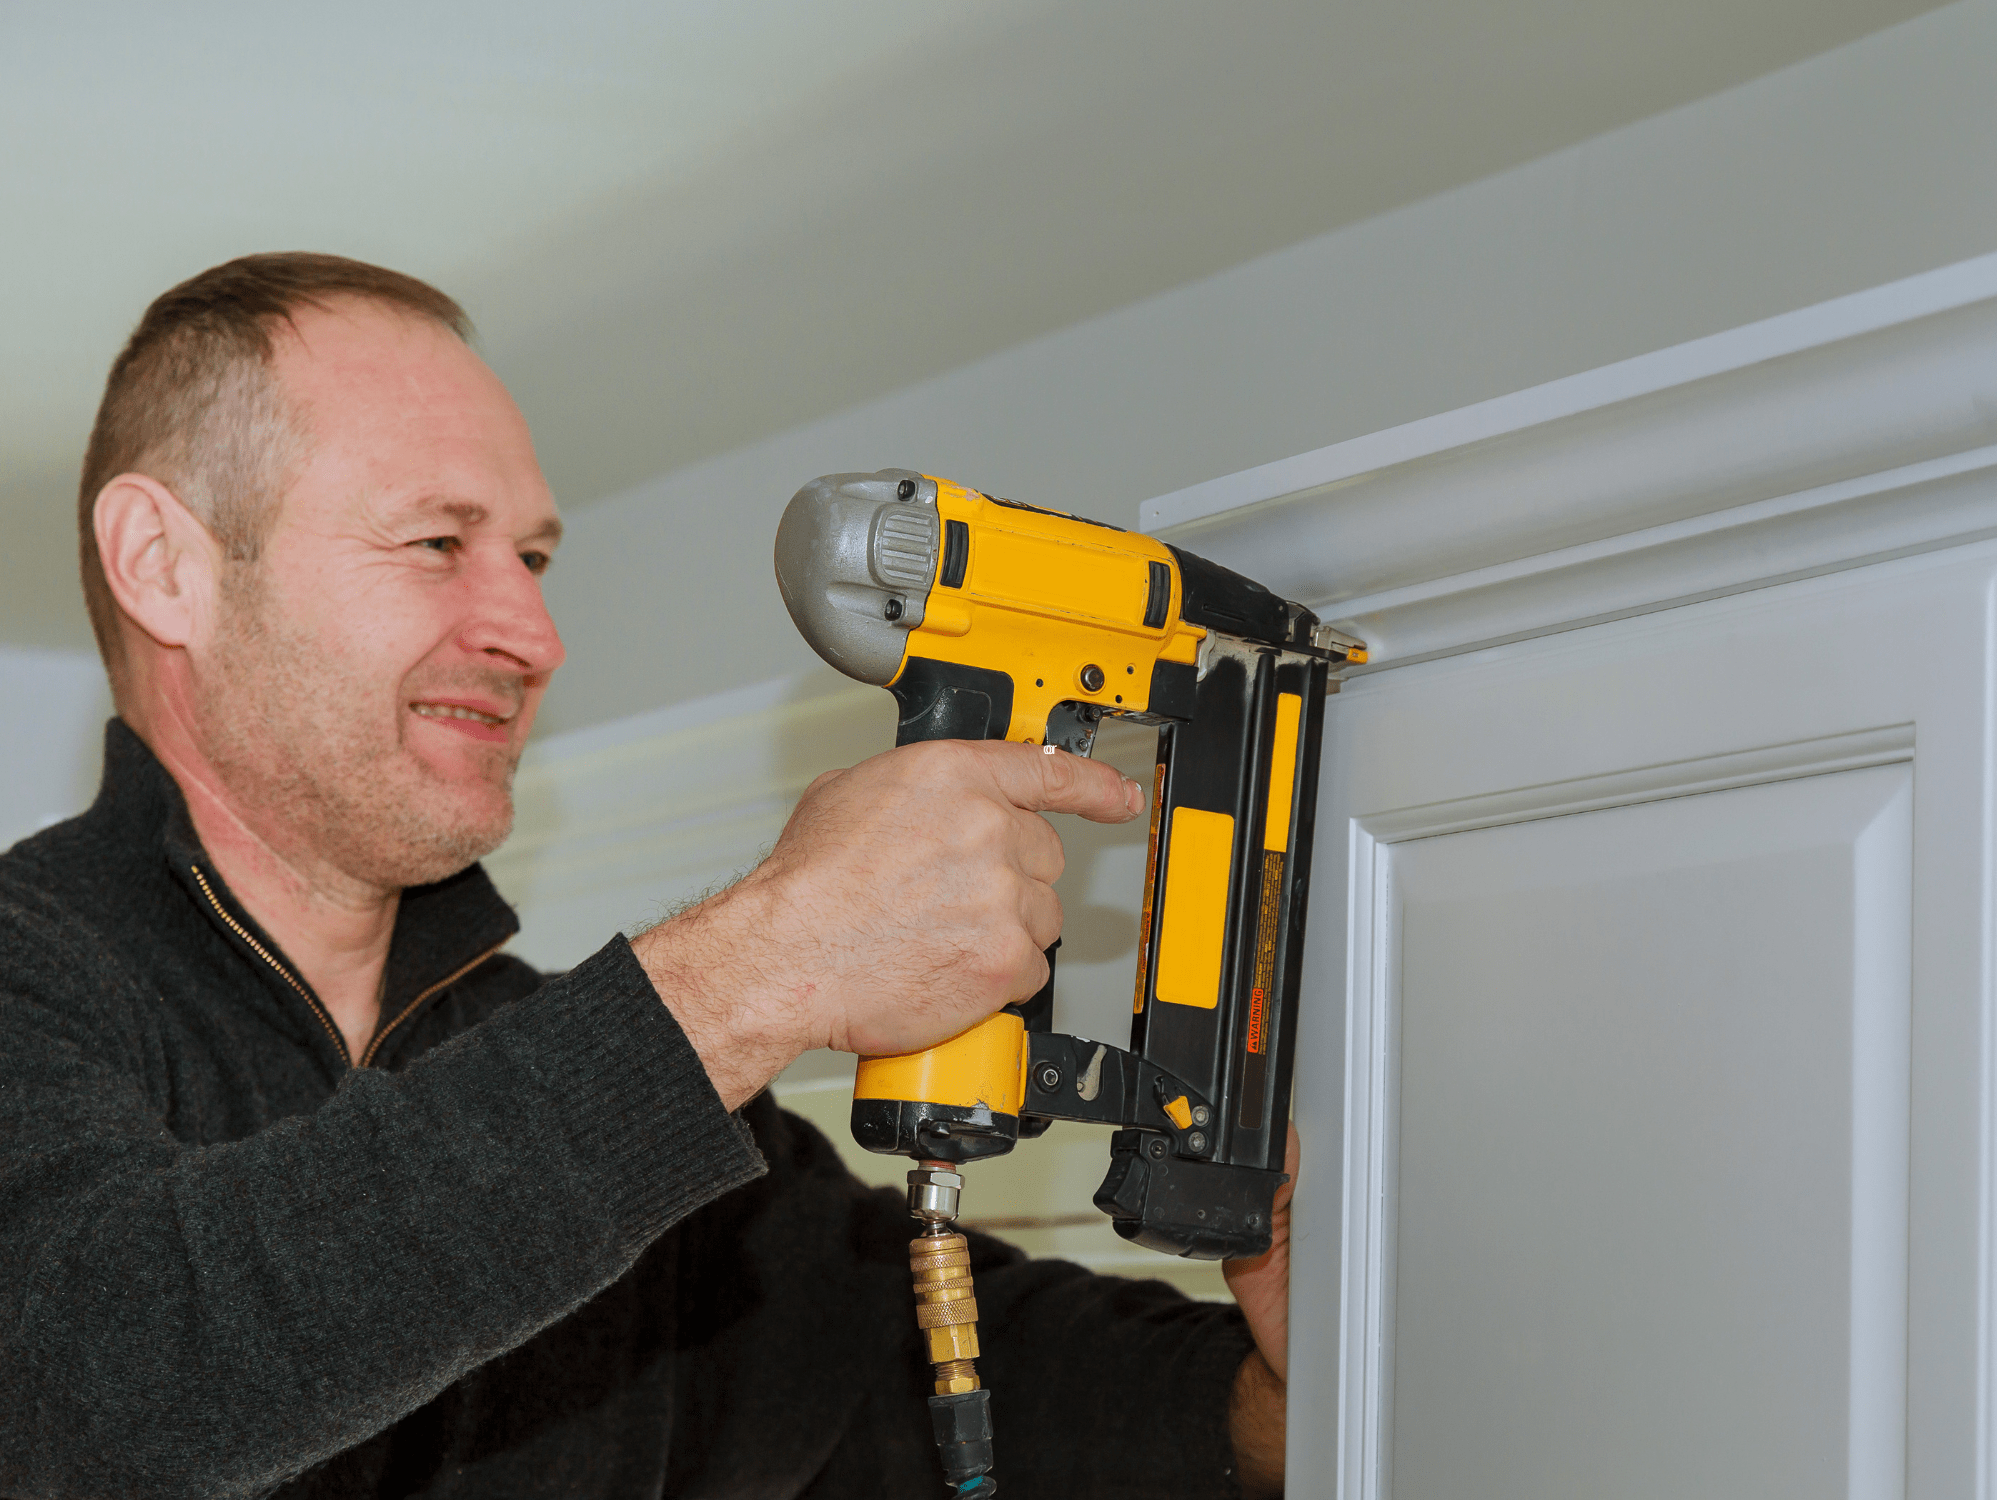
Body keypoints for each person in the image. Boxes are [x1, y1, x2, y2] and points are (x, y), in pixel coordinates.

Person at [0, 253, 1291, 1498]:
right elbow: (87, 1392)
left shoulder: (585, 1078)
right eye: (437, 542)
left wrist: (1290, 1391)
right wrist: (767, 960)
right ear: (163, 564)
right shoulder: (31, 973)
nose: (535, 634)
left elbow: (987, 1385)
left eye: (535, 557)